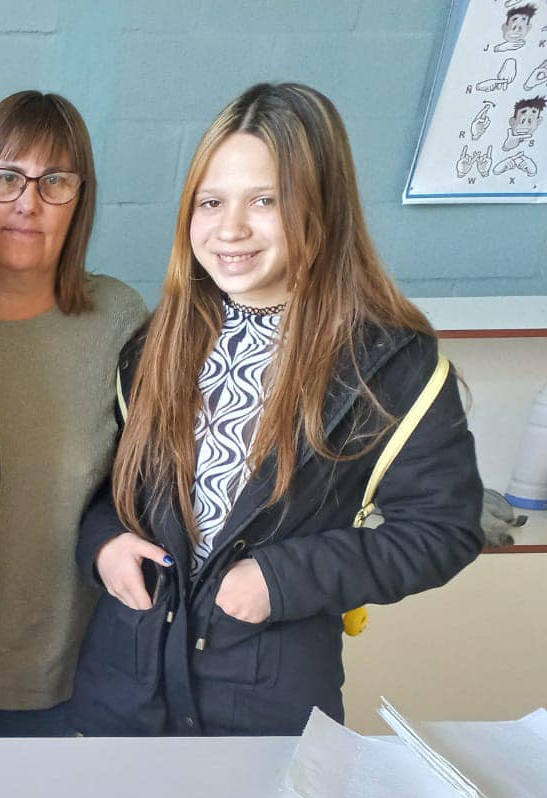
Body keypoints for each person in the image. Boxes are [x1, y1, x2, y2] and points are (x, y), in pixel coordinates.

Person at [71, 82, 483, 737]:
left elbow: (443, 530)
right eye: (211, 202)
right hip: (124, 683)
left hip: (265, 702)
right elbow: (115, 492)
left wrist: (283, 578)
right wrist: (104, 544)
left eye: (265, 200)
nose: (231, 228)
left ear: (322, 207)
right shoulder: (155, 344)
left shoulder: (386, 361)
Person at [0, 91, 147, 737]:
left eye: (55, 181)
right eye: (5, 178)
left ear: (80, 200)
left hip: (63, 681)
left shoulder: (118, 320)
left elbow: (146, 484)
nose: (28, 202)